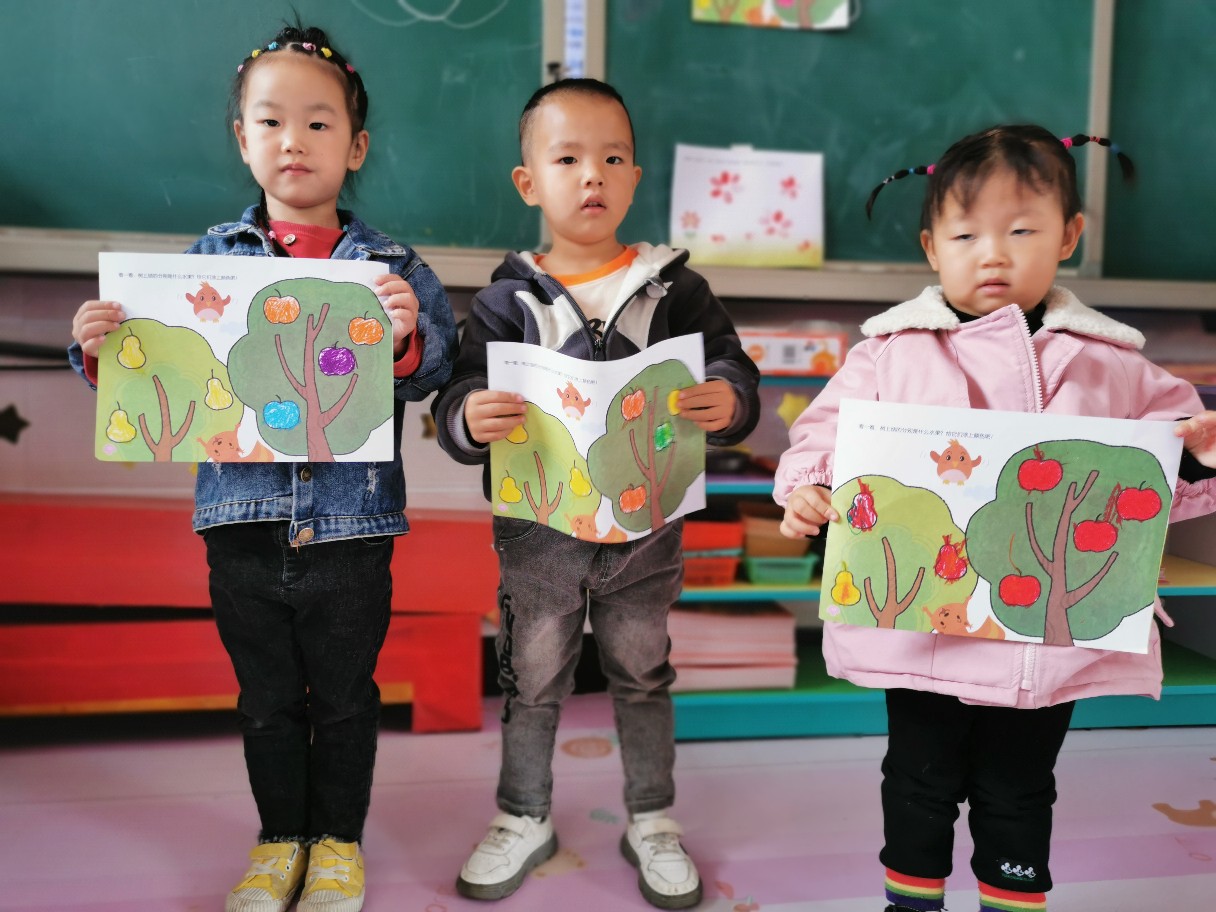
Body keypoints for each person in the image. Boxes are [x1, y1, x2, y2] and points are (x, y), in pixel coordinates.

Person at [774, 123, 1216, 912]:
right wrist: (808, 487)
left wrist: (1197, 456)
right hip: (922, 629)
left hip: (1042, 644)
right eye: (965, 235)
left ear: (1070, 236)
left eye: (1021, 231)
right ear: (931, 248)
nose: (993, 255)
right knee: (918, 779)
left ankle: (1011, 899)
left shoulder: (1114, 364)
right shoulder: (888, 352)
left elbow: (1162, 476)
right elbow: (821, 437)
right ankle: (911, 901)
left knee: (1019, 789)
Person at [69, 24, 457, 912]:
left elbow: (433, 371)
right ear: (242, 139)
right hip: (239, 527)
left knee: (346, 697)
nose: (294, 140)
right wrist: (99, 350)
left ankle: (338, 845)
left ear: (356, 148)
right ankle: (281, 838)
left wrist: (406, 338)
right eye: (272, 121)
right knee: (265, 699)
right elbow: (158, 368)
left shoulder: (391, 269)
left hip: (353, 532)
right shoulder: (207, 263)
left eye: (319, 123)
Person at [431, 78, 760, 909]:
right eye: (568, 158)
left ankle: (652, 818)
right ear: (528, 182)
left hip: (648, 532)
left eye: (613, 159)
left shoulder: (674, 288)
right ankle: (523, 814)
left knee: (643, 674)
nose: (592, 176)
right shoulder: (506, 299)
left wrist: (728, 398)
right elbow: (457, 397)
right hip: (539, 536)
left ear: (635, 178)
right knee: (532, 678)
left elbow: (731, 364)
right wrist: (469, 414)